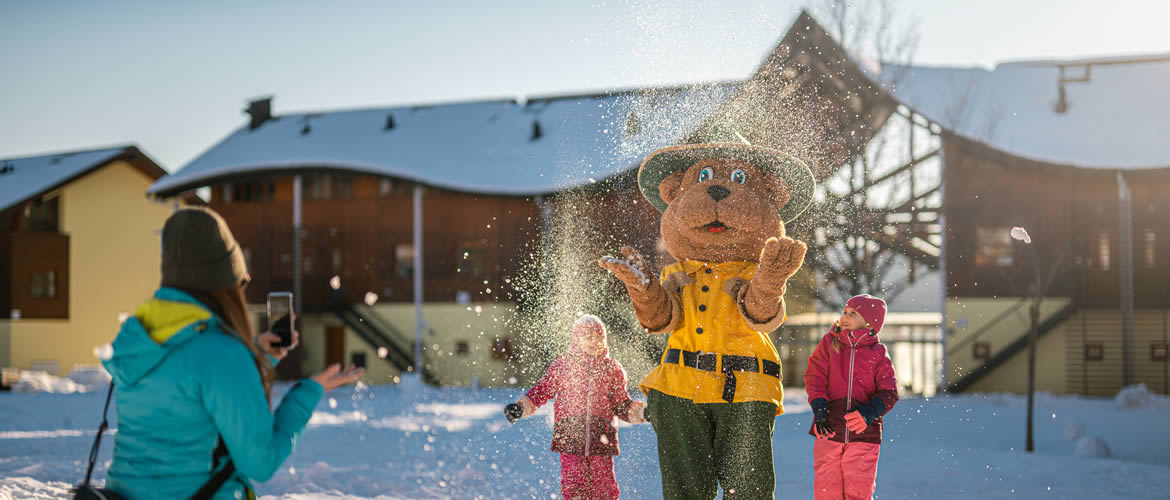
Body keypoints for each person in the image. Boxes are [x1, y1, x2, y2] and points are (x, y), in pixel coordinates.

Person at [101, 207, 363, 500]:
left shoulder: (137, 341)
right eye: (240, 282)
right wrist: (308, 392)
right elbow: (261, 462)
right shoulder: (222, 353)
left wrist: (257, 360)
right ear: (224, 283)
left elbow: (183, 394)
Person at [504, 315, 647, 499]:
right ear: (577, 340)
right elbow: (543, 390)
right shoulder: (564, 365)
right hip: (570, 436)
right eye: (589, 338)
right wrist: (521, 407)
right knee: (574, 484)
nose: (595, 342)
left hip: (601, 436)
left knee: (603, 485)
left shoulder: (612, 369)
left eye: (600, 338)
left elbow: (621, 403)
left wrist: (641, 412)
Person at [804, 294, 899, 500]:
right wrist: (820, 406)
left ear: (869, 322)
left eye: (853, 313)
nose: (845, 316)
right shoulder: (830, 344)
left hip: (864, 433)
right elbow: (815, 375)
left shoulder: (878, 352)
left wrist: (870, 411)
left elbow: (890, 391)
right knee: (826, 490)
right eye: (845, 312)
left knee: (859, 491)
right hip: (828, 428)